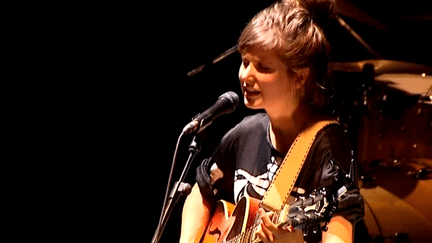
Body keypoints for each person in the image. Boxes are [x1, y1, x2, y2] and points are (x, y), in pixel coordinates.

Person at [180, 0, 364, 242]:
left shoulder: (328, 147)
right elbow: (201, 192)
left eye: (263, 67)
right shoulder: (245, 133)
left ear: (299, 76)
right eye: (245, 62)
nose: (246, 75)